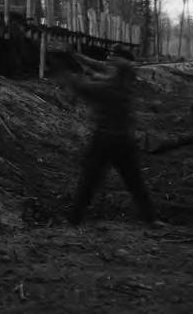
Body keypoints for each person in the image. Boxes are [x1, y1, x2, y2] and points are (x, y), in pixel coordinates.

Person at [67, 52, 157, 226]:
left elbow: (85, 87)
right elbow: (100, 70)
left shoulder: (108, 88)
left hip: (104, 140)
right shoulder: (124, 84)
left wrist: (68, 76)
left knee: (89, 181)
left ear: (116, 72)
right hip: (124, 140)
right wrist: (80, 59)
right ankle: (150, 218)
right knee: (135, 183)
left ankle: (74, 219)